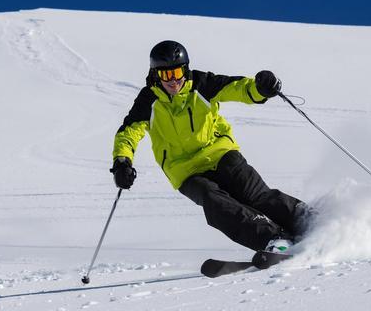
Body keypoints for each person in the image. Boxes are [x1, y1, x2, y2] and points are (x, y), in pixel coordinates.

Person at [110, 40, 312, 254]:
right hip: (186, 171)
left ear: (185, 69)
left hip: (221, 153)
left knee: (254, 194)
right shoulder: (148, 100)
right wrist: (122, 161)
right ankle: (273, 239)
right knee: (215, 202)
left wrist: (260, 89)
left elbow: (237, 88)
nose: (173, 80)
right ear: (155, 74)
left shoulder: (201, 84)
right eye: (165, 75)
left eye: (177, 72)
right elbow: (128, 133)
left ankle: (307, 219)